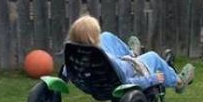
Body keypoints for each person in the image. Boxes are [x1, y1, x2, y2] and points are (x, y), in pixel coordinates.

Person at [66, 14, 194, 91]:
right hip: (129, 71)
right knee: (153, 56)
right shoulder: (107, 60)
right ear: (93, 38)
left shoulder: (74, 57)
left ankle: (132, 53)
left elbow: (66, 73)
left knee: (106, 37)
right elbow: (127, 82)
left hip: (91, 81)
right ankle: (178, 81)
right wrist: (152, 79)